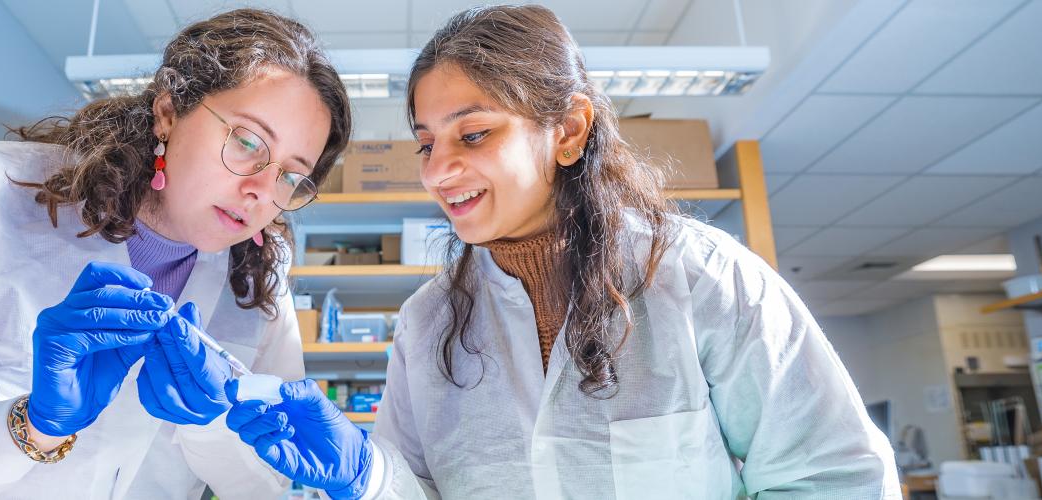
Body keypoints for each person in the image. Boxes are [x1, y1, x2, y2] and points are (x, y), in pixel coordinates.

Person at [221, 6, 899, 499]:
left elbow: (836, 479)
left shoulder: (700, 278)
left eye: (474, 134)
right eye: (426, 144)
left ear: (569, 130)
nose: (437, 171)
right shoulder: (429, 323)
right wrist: (365, 474)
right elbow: (417, 490)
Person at [0, 9, 351, 498]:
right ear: (169, 111)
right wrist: (28, 426)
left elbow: (265, 484)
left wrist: (210, 425)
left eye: (289, 176)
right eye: (247, 142)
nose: (260, 191)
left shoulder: (259, 278)